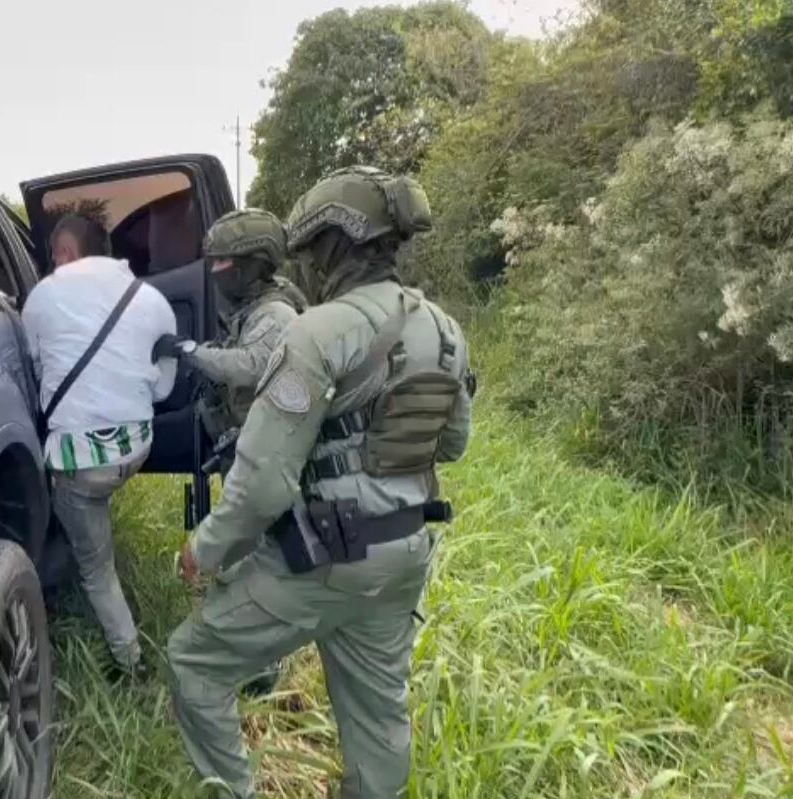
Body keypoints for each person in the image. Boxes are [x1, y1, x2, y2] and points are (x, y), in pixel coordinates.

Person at [165, 166, 474, 799]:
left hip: (325, 559)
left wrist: (204, 549)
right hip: (406, 554)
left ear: (332, 245)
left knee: (192, 661)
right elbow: (452, 444)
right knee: (379, 717)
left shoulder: (316, 332)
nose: (304, 264)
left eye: (310, 250)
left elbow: (262, 486)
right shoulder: (445, 330)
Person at [153, 208, 306, 697]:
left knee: (257, 556)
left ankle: (264, 666)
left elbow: (248, 366)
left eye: (224, 264)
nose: (215, 272)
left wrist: (190, 351)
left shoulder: (276, 314)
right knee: (248, 553)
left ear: (252, 265)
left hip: (266, 450)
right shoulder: (252, 311)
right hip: (244, 443)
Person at [23, 213, 178, 679]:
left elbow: (36, 374)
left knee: (97, 569)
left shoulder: (40, 298)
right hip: (136, 449)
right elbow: (164, 390)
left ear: (64, 253)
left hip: (81, 465)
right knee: (94, 498)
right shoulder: (153, 300)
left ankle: (130, 664)